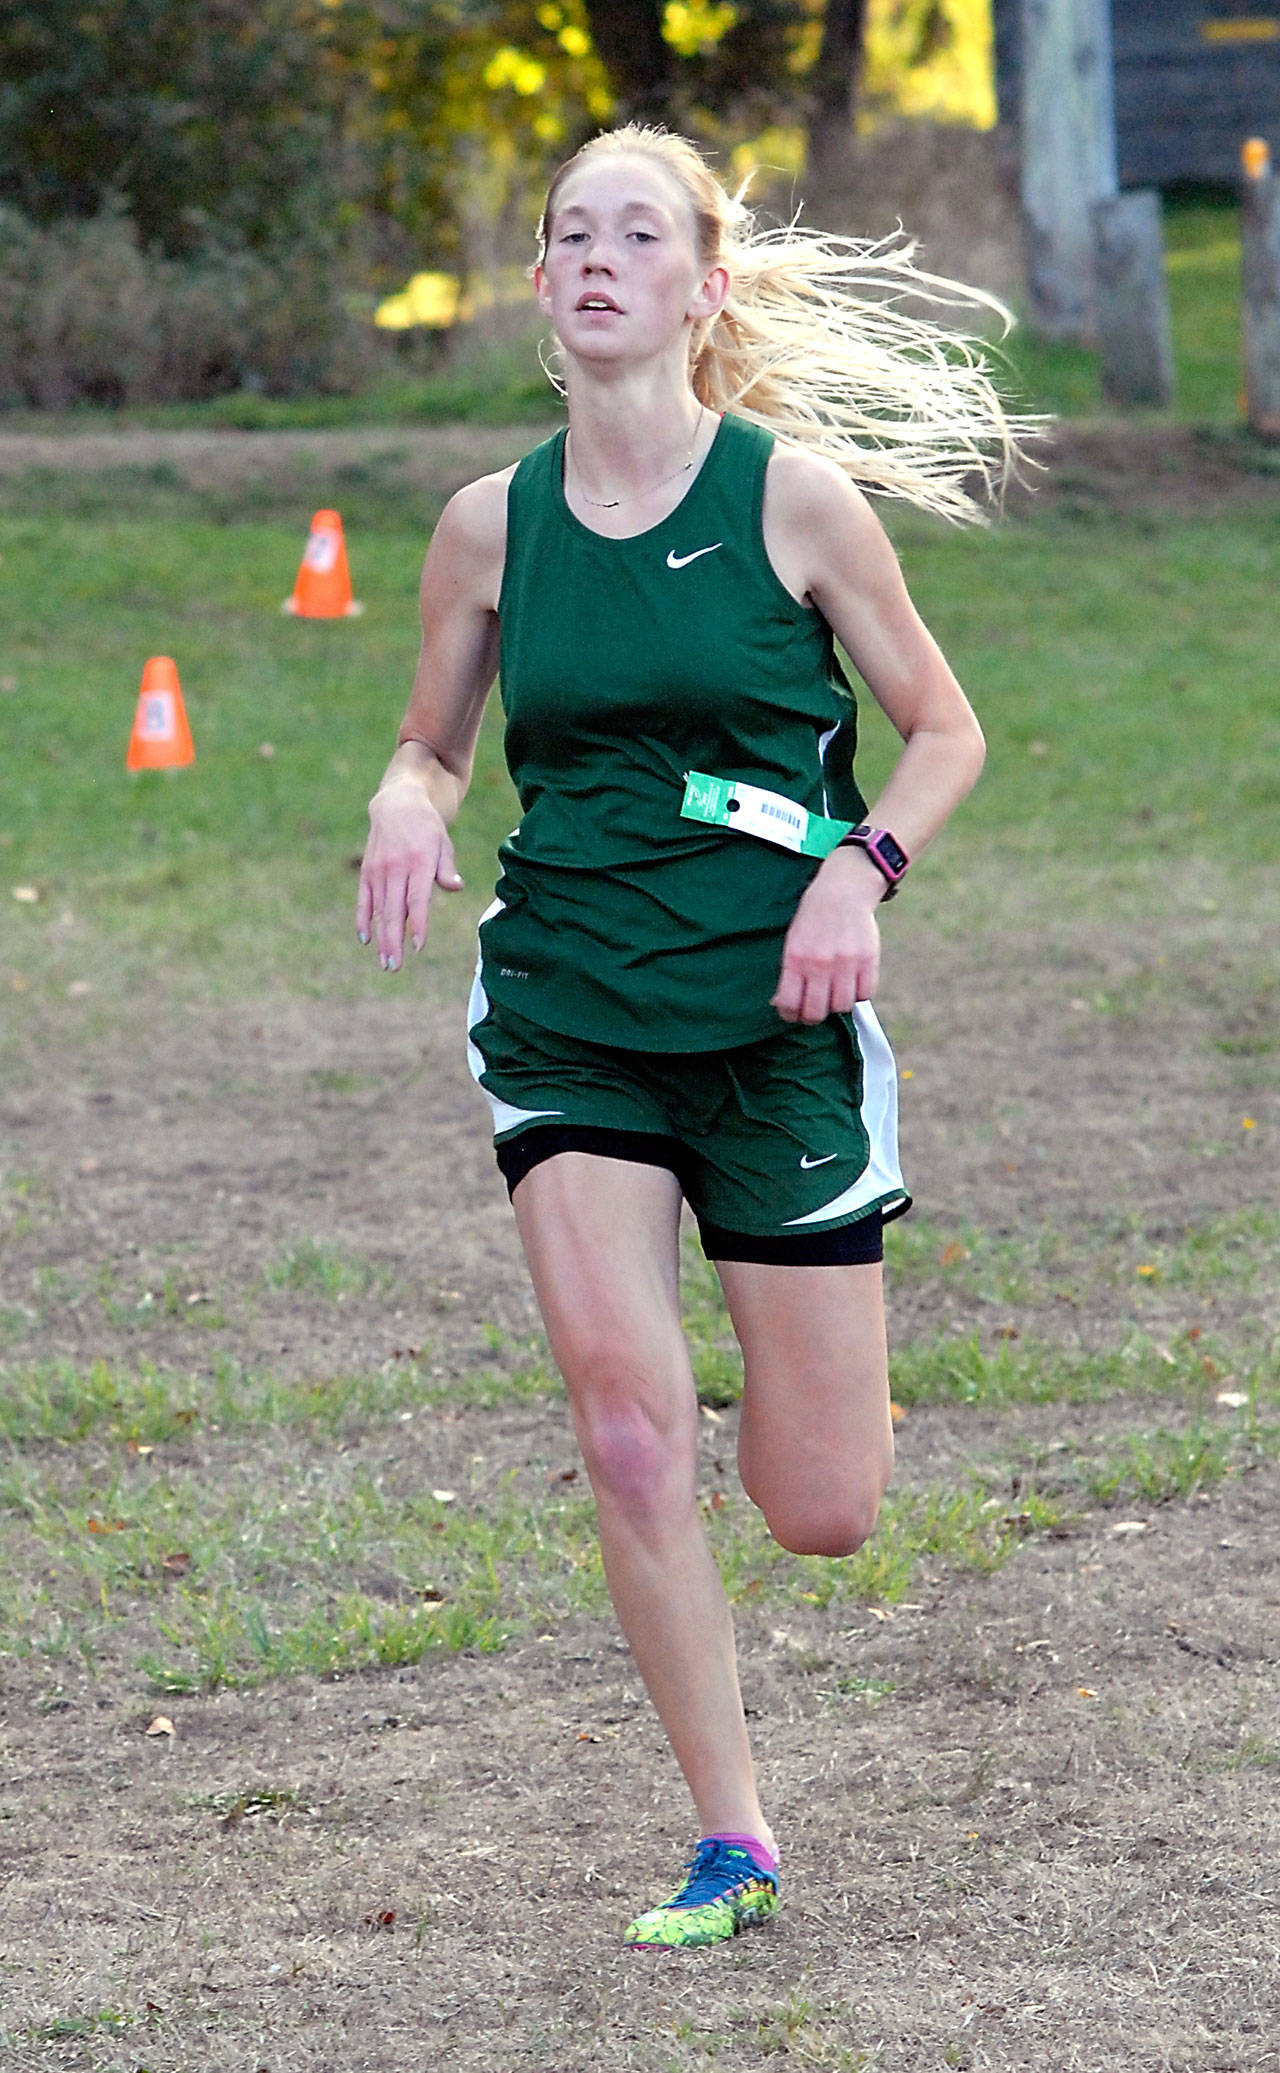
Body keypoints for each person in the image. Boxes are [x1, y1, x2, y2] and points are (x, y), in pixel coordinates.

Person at [357, 123, 1027, 1951]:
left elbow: (945, 729)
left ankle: (787, 1340)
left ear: (700, 286)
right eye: (568, 232)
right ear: (547, 286)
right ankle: (732, 1835)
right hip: (573, 996)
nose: (592, 257)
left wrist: (859, 871)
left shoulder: (793, 498)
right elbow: (433, 733)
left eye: (634, 234)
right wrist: (411, 793)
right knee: (634, 1436)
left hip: (777, 1011)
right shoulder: (488, 524)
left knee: (819, 1506)